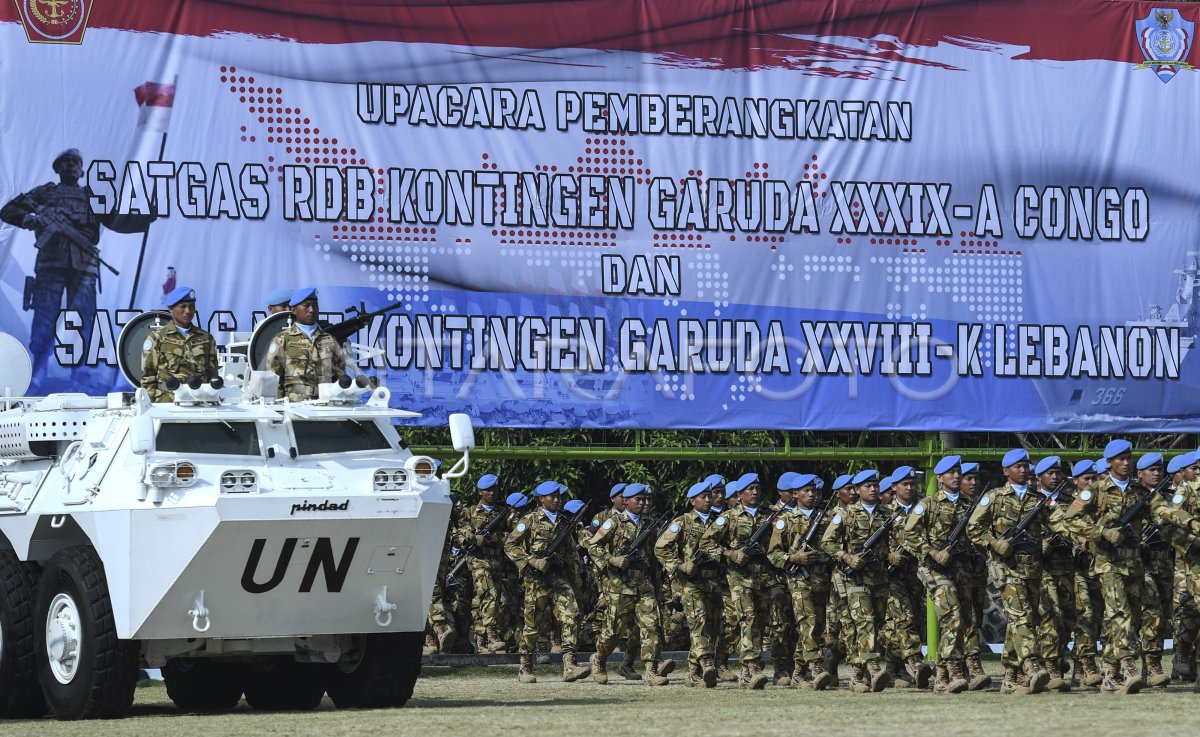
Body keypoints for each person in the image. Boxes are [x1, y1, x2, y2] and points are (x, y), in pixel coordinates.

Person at [1, 148, 154, 392]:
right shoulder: (45, 192)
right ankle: (38, 370)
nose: (71, 165)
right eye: (66, 161)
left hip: (84, 266)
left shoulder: (90, 196)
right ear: (58, 167)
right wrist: (31, 220)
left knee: (84, 322)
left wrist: (145, 217)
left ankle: (79, 373)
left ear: (81, 170)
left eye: (76, 162)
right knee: (45, 318)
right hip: (51, 263)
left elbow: (114, 220)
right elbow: (8, 211)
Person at [1056, 440, 1200, 694]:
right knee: (1119, 613)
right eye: (1120, 459)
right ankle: (1129, 666)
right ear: (1109, 462)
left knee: (1127, 618)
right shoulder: (1095, 490)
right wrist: (1102, 532)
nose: (1125, 462)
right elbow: (1070, 520)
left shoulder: (1139, 491)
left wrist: (1189, 523)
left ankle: (1110, 673)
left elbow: (1163, 511)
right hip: (1107, 564)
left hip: (1134, 563)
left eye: (1128, 458)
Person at [967, 448, 1055, 694]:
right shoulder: (994, 497)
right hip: (1005, 568)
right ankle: (1032, 665)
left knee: (1022, 621)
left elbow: (1058, 521)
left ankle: (1010, 676)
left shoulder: (1038, 499)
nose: (1024, 470)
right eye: (1018, 466)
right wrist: (994, 543)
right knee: (1021, 615)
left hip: (1033, 567)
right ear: (1006, 471)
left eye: (1026, 466)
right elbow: (973, 528)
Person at [503, 481, 591, 684]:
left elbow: (570, 553)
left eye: (559, 496)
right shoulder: (530, 520)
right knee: (533, 626)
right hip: (536, 580)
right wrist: (531, 561)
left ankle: (570, 665)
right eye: (552, 496)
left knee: (572, 615)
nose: (557, 500)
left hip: (559, 578)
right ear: (541, 499)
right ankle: (525, 667)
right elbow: (510, 544)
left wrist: (577, 579)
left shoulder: (563, 521)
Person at [820, 469, 897, 693]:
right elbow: (827, 543)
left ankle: (857, 676)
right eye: (867, 486)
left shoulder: (887, 514)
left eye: (875, 485)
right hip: (854, 579)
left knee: (878, 626)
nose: (873, 489)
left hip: (880, 578)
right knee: (865, 623)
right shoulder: (845, 515)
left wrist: (891, 555)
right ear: (857, 490)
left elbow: (897, 540)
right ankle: (873, 668)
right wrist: (847, 557)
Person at [589, 483, 670, 686]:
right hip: (619, 584)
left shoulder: (651, 524)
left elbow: (653, 556)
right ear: (626, 501)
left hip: (643, 583)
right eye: (639, 499)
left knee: (651, 625)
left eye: (647, 499)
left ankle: (651, 670)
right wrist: (611, 559)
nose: (644, 503)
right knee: (614, 631)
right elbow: (592, 546)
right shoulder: (613, 522)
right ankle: (599, 659)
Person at [700, 473, 775, 689]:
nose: (754, 492)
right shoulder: (729, 516)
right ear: (740, 494)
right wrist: (729, 553)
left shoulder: (768, 516)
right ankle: (753, 666)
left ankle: (744, 673)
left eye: (757, 489)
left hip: (762, 577)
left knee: (760, 622)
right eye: (750, 489)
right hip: (739, 577)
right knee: (748, 619)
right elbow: (706, 542)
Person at [767, 473, 836, 690]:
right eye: (806, 491)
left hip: (821, 580)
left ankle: (797, 672)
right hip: (798, 580)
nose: (812, 494)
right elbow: (773, 554)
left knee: (815, 628)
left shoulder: (826, 519)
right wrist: (794, 558)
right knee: (808, 622)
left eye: (814, 490)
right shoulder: (785, 521)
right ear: (795, 494)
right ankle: (816, 667)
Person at [656, 480, 722, 687]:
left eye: (709, 496)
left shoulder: (719, 520)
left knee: (710, 626)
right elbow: (661, 548)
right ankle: (707, 662)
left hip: (714, 581)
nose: (708, 500)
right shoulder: (683, 522)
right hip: (691, 582)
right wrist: (679, 565)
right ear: (693, 501)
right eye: (703, 497)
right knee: (698, 623)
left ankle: (693, 673)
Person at [453, 474, 510, 654]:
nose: (492, 493)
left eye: (494, 489)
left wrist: (492, 538)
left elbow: (512, 537)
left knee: (482, 601)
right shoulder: (470, 513)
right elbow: (458, 533)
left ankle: (481, 640)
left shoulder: (503, 513)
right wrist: (470, 537)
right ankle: (492, 634)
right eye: (488, 490)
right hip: (478, 561)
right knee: (489, 595)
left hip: (497, 561)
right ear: (480, 492)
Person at [139, 286, 218, 403]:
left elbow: (212, 374)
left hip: (200, 401)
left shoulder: (206, 338)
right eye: (183, 306)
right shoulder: (157, 338)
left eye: (192, 306)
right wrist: (152, 403)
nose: (188, 311)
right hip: (167, 401)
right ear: (171, 309)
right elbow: (148, 376)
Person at [266, 287, 346, 401]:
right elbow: (273, 378)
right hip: (294, 407)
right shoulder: (282, 340)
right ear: (294, 310)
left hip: (325, 406)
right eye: (306, 306)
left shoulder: (330, 340)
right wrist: (279, 406)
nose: (312, 310)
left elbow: (340, 377)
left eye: (315, 305)